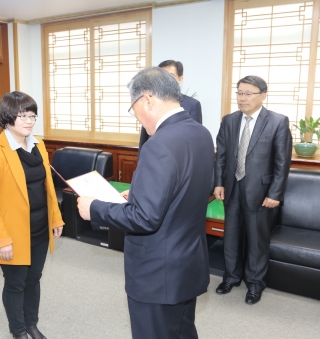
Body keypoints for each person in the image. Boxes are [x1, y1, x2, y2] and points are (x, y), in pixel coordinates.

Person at [77, 67, 214, 339]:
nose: (137, 116)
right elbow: (186, 190)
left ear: (148, 100)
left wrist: (94, 208)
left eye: (133, 107)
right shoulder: (200, 133)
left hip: (158, 272)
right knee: (184, 331)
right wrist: (138, 192)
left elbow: (144, 218)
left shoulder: (159, 143)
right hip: (187, 262)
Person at [0, 91, 64, 339]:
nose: (29, 120)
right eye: (22, 115)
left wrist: (56, 218)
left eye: (32, 115)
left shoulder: (39, 144)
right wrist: (1, 239)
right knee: (15, 283)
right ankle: (18, 330)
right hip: (12, 232)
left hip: (39, 228)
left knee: (34, 279)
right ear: (7, 117)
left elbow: (48, 186)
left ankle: (31, 324)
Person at [214, 75, 292, 305]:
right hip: (232, 188)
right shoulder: (229, 120)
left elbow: (282, 162)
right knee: (231, 237)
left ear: (263, 96)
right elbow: (221, 156)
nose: (242, 98)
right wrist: (218, 182)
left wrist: (275, 194)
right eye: (239, 92)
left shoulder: (277, 121)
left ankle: (255, 284)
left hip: (261, 192)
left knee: (258, 240)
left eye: (248, 93)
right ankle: (231, 277)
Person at [139, 60, 202, 154]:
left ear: (180, 79)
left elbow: (195, 141)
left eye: (171, 76)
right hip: (152, 157)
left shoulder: (192, 105)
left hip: (177, 160)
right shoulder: (149, 102)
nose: (166, 81)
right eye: (162, 77)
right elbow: (144, 139)